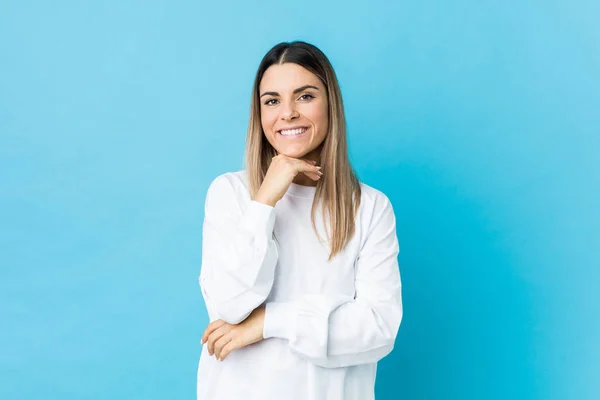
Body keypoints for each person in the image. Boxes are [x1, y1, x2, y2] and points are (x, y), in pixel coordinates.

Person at [196, 40, 403, 400]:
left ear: (330, 104)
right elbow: (229, 306)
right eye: (272, 100)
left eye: (305, 96)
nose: (287, 113)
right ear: (259, 114)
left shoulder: (369, 207)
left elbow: (377, 328)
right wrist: (264, 201)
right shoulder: (229, 193)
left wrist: (268, 323)